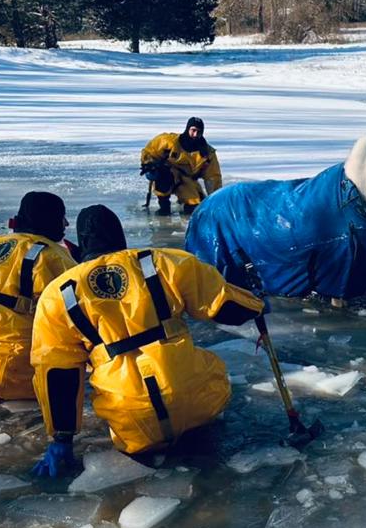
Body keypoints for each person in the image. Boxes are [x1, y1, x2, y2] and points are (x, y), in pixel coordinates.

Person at [29, 204, 265, 477]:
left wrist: (62, 439)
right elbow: (225, 307)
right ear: (120, 235)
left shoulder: (57, 293)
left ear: (80, 244)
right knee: (209, 375)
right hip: (197, 401)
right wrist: (254, 301)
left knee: (132, 420)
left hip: (132, 422)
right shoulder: (165, 262)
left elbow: (58, 372)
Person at [0, 192, 77, 404]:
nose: (65, 224)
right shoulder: (51, 256)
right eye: (61, 217)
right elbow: (80, 306)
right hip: (16, 371)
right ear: (50, 219)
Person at [140, 117, 222, 217]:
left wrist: (216, 200)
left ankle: (186, 205)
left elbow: (213, 177)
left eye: (199, 132)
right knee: (163, 177)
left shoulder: (207, 154)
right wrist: (148, 164)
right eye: (193, 130)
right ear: (187, 129)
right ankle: (164, 205)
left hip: (187, 180)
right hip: (167, 174)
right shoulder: (169, 142)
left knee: (195, 207)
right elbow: (150, 151)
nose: (195, 134)